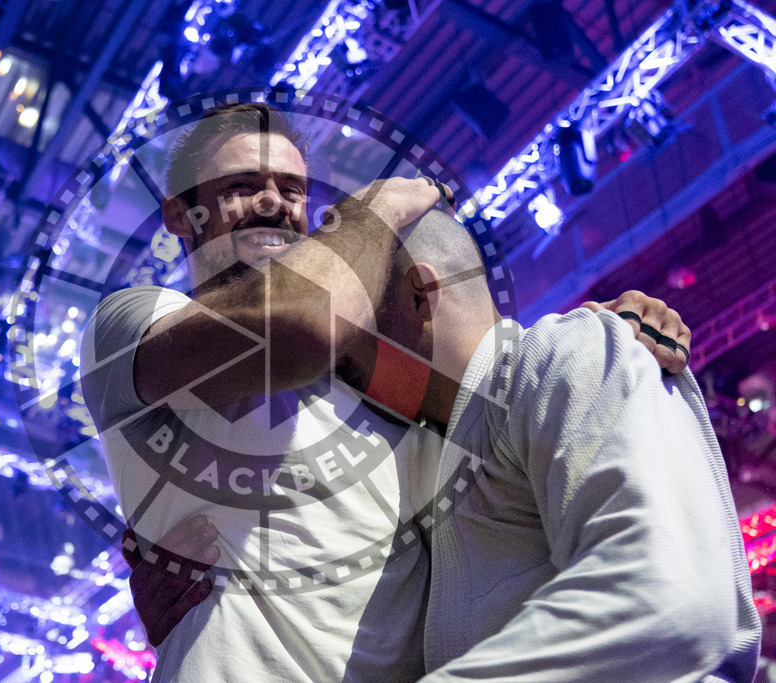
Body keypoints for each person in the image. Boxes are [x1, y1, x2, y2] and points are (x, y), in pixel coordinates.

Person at [82, 103, 756, 680]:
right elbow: (296, 325)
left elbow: (486, 374)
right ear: (179, 214)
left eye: (292, 187)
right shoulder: (134, 322)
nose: (272, 201)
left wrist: (595, 342)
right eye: (240, 185)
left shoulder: (390, 399)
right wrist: (377, 209)